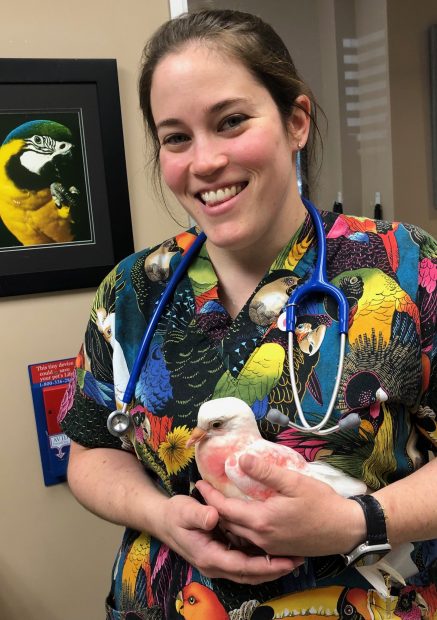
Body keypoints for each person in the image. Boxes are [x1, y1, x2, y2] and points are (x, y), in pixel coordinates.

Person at [59, 8, 437, 619]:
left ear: (296, 121)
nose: (204, 161)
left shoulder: (407, 267)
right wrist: (163, 517)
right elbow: (90, 449)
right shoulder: (130, 292)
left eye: (231, 121)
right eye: (176, 137)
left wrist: (355, 520)